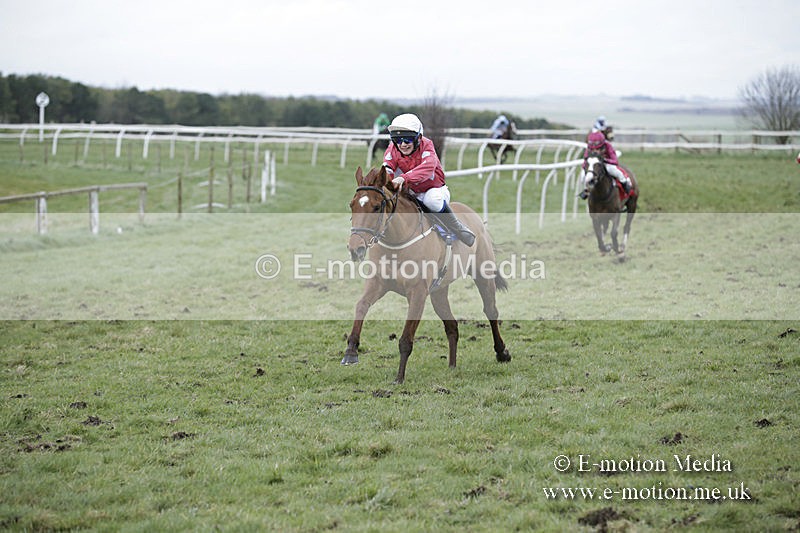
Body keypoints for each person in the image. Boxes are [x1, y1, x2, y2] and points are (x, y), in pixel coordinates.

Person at [383, 113, 475, 247]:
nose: (402, 144)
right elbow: (387, 168)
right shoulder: (393, 149)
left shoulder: (427, 146)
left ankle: (457, 228)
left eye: (407, 140)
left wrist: (403, 178)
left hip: (433, 189)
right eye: (397, 140)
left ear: (418, 138)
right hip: (409, 191)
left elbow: (428, 168)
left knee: (431, 201)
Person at [577, 130, 632, 199]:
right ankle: (586, 190)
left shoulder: (608, 146)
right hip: (593, 165)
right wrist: (584, 168)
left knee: (614, 171)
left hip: (606, 164)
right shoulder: (589, 148)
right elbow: (585, 159)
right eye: (593, 149)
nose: (595, 151)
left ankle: (625, 184)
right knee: (583, 176)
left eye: (597, 149)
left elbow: (615, 161)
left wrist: (605, 160)